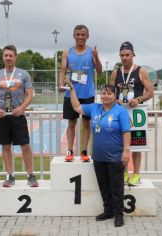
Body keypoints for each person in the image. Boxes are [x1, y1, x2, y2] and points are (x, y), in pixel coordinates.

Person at [70, 83, 131, 227]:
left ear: (115, 96)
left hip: (115, 156)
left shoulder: (120, 111)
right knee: (103, 186)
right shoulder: (94, 108)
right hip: (98, 157)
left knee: (116, 187)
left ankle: (118, 215)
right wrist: (72, 89)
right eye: (103, 93)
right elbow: (77, 107)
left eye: (109, 93)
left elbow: (127, 132)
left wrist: (126, 150)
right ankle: (108, 210)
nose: (106, 96)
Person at [0, 45, 39, 188]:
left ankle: (30, 175)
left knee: (25, 145)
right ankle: (10, 176)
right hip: (1, 116)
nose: (8, 58)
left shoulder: (23, 74)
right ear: (3, 57)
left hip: (18, 114)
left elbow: (30, 94)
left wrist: (22, 108)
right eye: (6, 55)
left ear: (15, 57)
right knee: (5, 146)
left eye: (11, 55)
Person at [110, 41, 154, 186]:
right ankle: (123, 174)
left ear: (133, 55)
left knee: (136, 146)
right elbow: (110, 92)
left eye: (127, 55)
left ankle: (136, 174)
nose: (125, 58)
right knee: (121, 145)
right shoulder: (115, 73)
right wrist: (114, 99)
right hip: (120, 113)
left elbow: (150, 92)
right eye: (122, 55)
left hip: (136, 114)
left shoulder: (141, 71)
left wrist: (139, 99)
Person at [59, 24, 102, 162]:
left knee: (87, 125)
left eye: (83, 34)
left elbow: (100, 71)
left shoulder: (91, 52)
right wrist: (61, 84)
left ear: (87, 36)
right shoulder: (67, 52)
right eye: (78, 34)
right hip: (71, 94)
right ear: (74, 35)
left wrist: (97, 57)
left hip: (88, 94)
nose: (80, 37)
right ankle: (70, 151)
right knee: (71, 123)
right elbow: (62, 70)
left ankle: (84, 151)